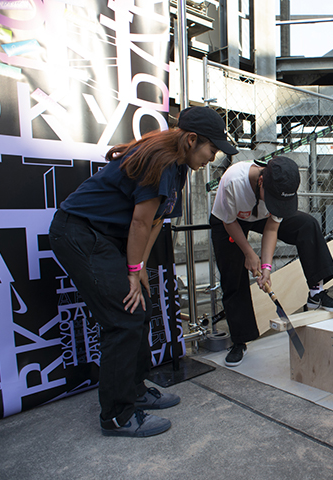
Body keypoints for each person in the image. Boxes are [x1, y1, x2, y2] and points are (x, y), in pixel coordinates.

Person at [49, 106, 239, 437]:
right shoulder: (161, 161)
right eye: (212, 148)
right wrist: (132, 270)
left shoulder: (179, 168)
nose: (213, 157)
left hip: (107, 238)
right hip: (79, 232)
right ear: (191, 140)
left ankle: (135, 391)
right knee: (124, 316)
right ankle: (116, 415)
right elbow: (138, 221)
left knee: (138, 307)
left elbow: (154, 222)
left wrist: (138, 269)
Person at [210, 156, 333, 367]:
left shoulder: (281, 187)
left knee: (307, 224)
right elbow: (229, 223)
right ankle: (240, 341)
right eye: (274, 200)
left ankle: (316, 292)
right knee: (232, 273)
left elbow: (271, 229)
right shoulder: (233, 181)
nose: (277, 205)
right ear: (261, 181)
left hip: (260, 216)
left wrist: (266, 267)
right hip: (230, 220)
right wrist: (249, 253)